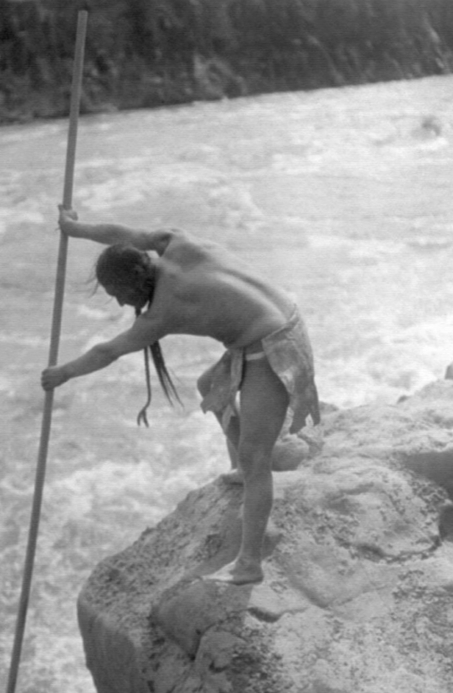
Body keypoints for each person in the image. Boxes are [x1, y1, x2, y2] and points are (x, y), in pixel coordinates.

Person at [41, 207, 320, 585]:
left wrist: (62, 373)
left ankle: (249, 564)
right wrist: (75, 228)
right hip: (284, 318)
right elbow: (119, 230)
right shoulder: (174, 241)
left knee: (258, 460)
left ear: (135, 279)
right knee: (210, 388)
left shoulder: (162, 313)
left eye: (118, 294)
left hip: (272, 349)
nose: (123, 304)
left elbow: (107, 351)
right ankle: (242, 470)